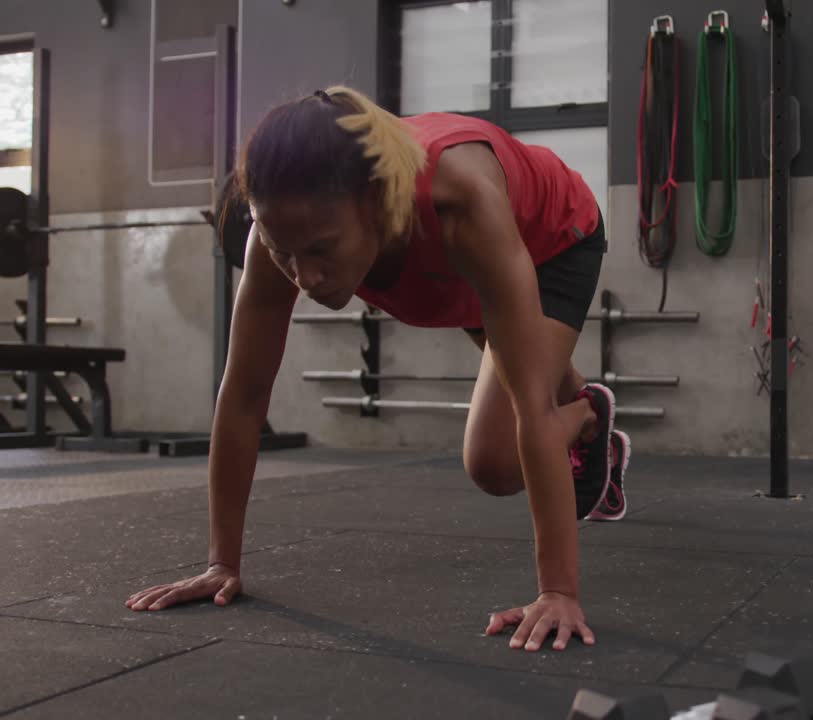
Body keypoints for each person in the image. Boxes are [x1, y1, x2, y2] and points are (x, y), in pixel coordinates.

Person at [123, 86, 630, 653]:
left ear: (379, 204)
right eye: (284, 251)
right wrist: (221, 563)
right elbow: (242, 395)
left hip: (550, 242)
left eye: (322, 250)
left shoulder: (462, 202)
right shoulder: (283, 235)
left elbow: (532, 411)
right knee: (523, 373)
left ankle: (587, 414)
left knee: (495, 460)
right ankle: (572, 400)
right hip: (453, 267)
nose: (304, 278)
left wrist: (557, 592)